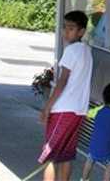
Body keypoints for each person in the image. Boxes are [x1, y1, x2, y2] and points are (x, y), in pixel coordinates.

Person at [38, 11, 93, 181]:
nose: (66, 32)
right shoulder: (87, 51)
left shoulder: (71, 51)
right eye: (65, 27)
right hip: (78, 110)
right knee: (66, 155)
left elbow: (62, 81)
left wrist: (47, 107)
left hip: (63, 109)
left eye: (71, 28)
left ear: (81, 32)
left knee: (50, 155)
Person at [81, 82, 110, 181]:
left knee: (89, 161)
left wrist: (87, 117)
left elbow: (88, 114)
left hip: (94, 145)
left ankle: (84, 179)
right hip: (108, 149)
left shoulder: (99, 109)